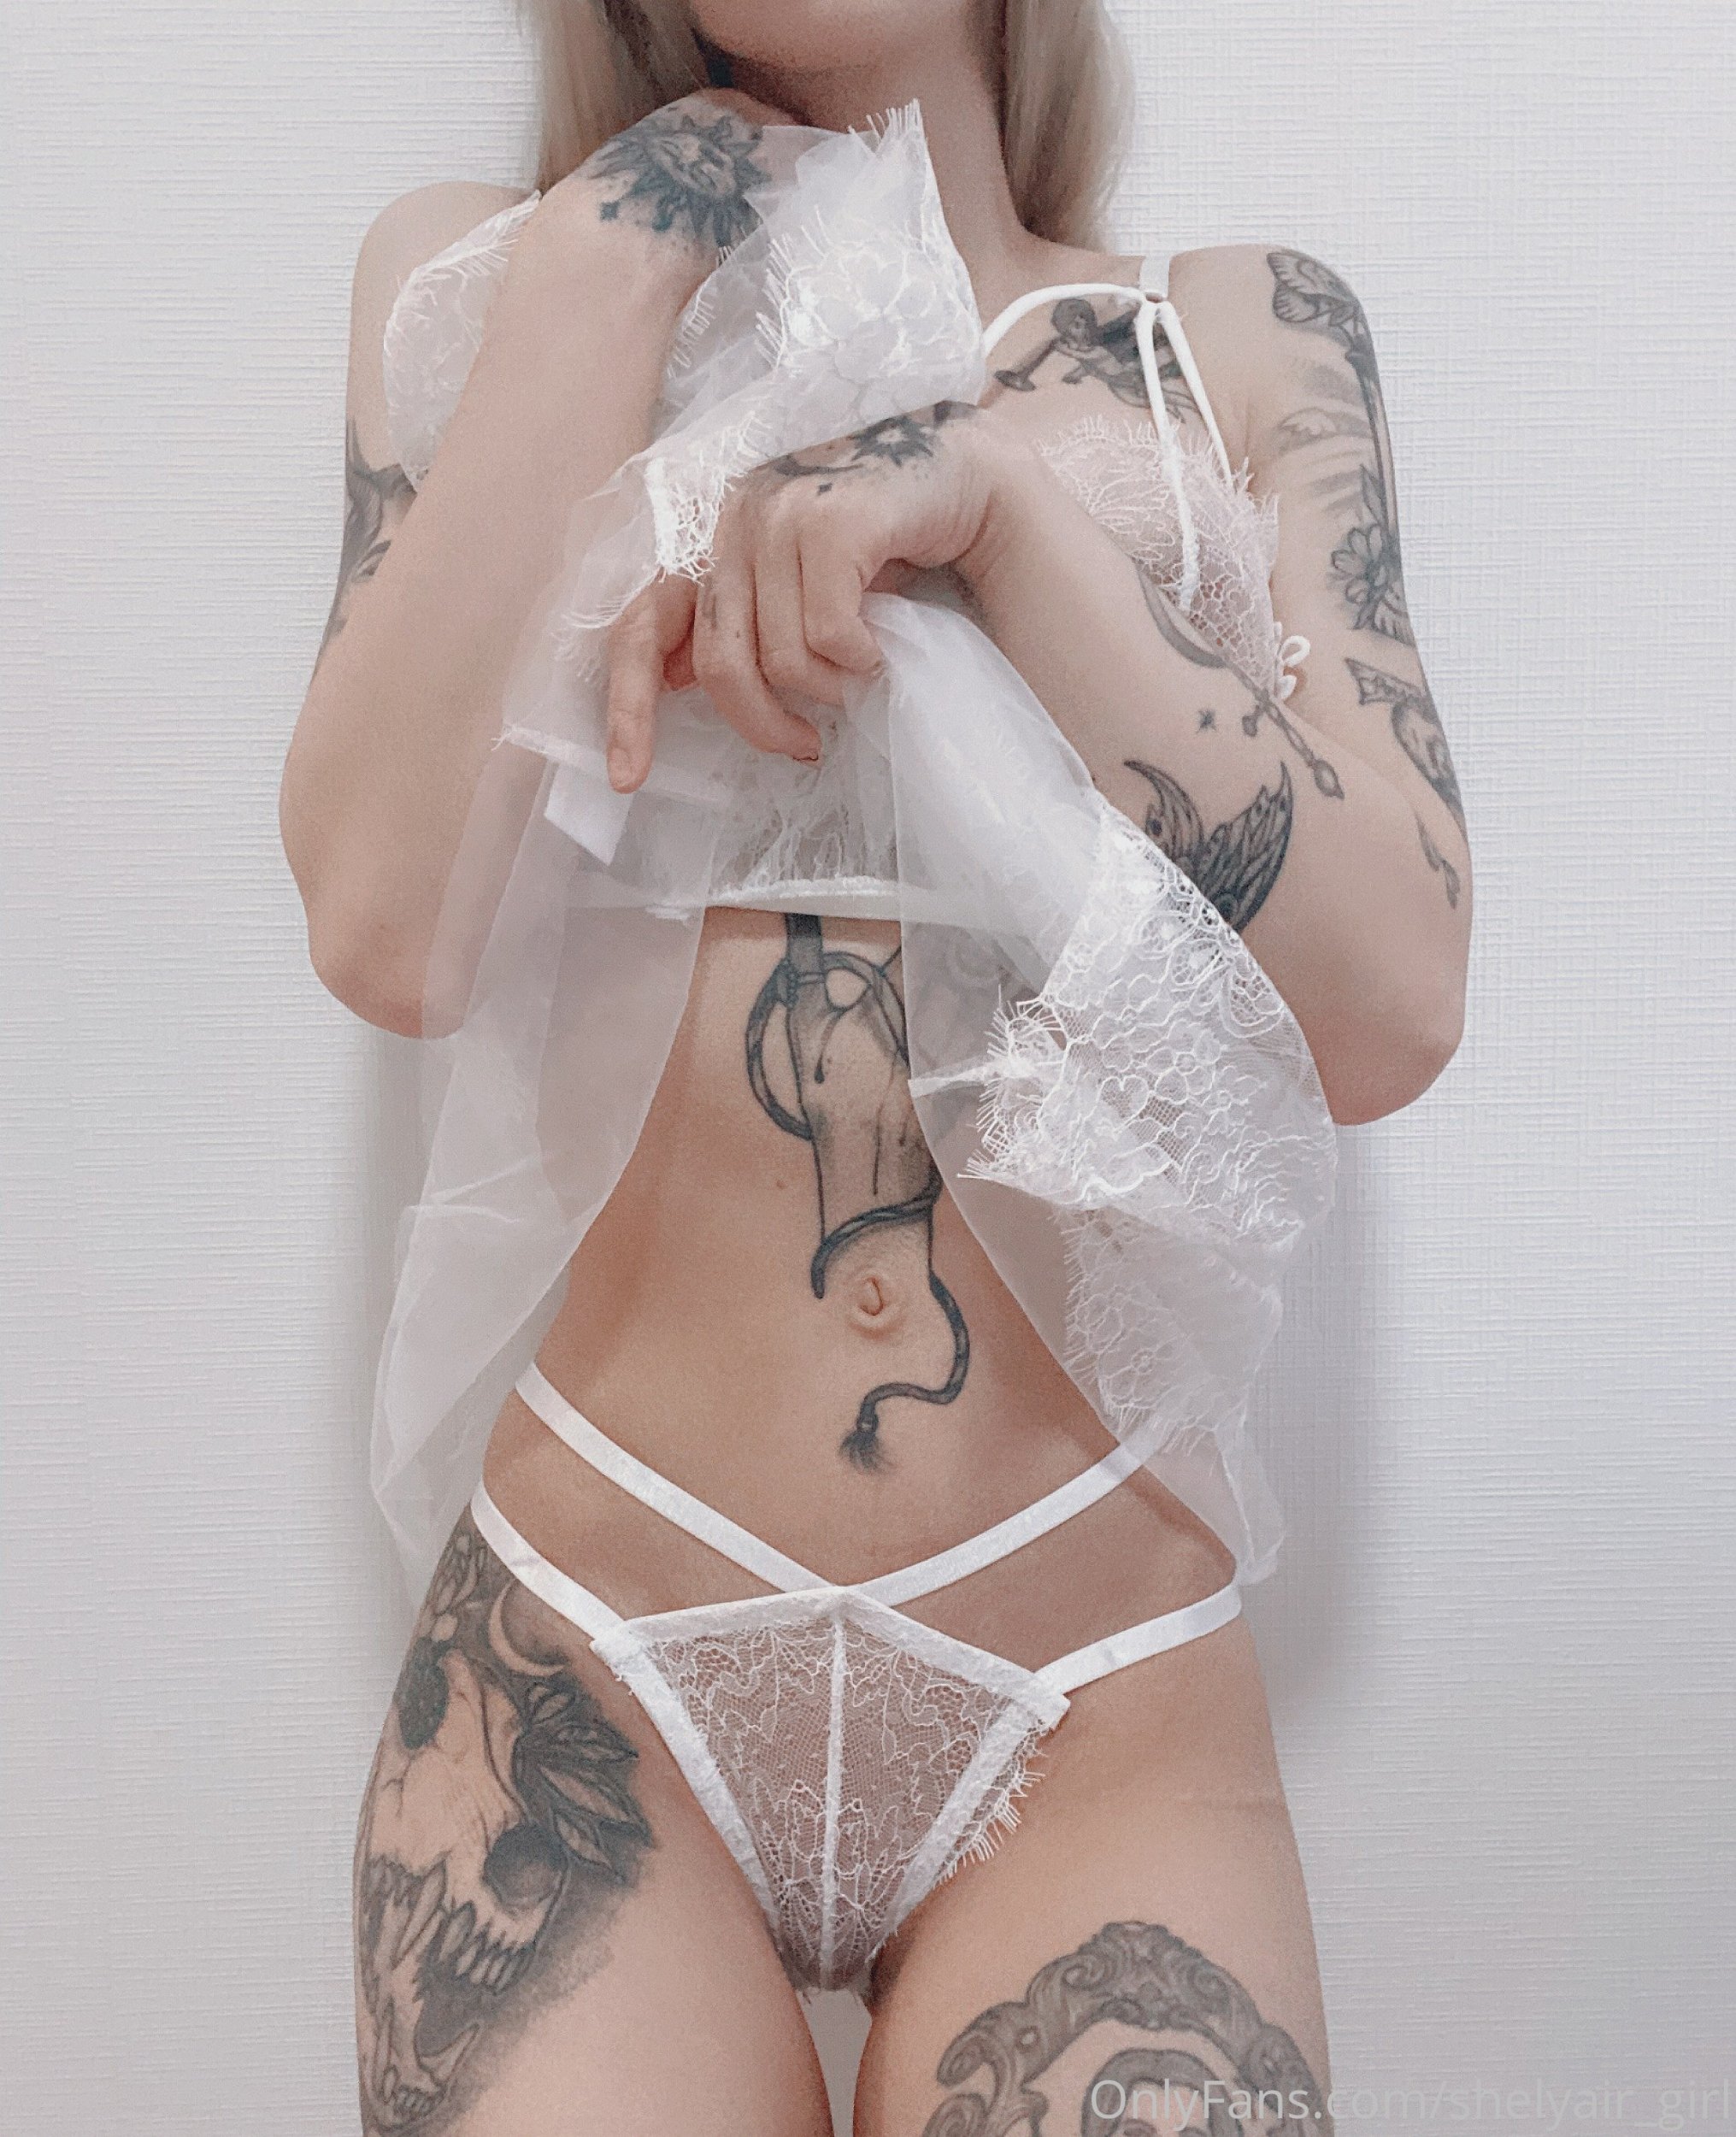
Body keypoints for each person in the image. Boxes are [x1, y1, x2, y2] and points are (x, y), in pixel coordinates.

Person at [280, 3, 1471, 2129]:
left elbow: (1389, 1002)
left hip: (1092, 1692)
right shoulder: (478, 275)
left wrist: (1003, 515)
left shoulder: (1234, 332)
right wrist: (622, 253)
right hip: (587, 1658)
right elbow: (387, 922)